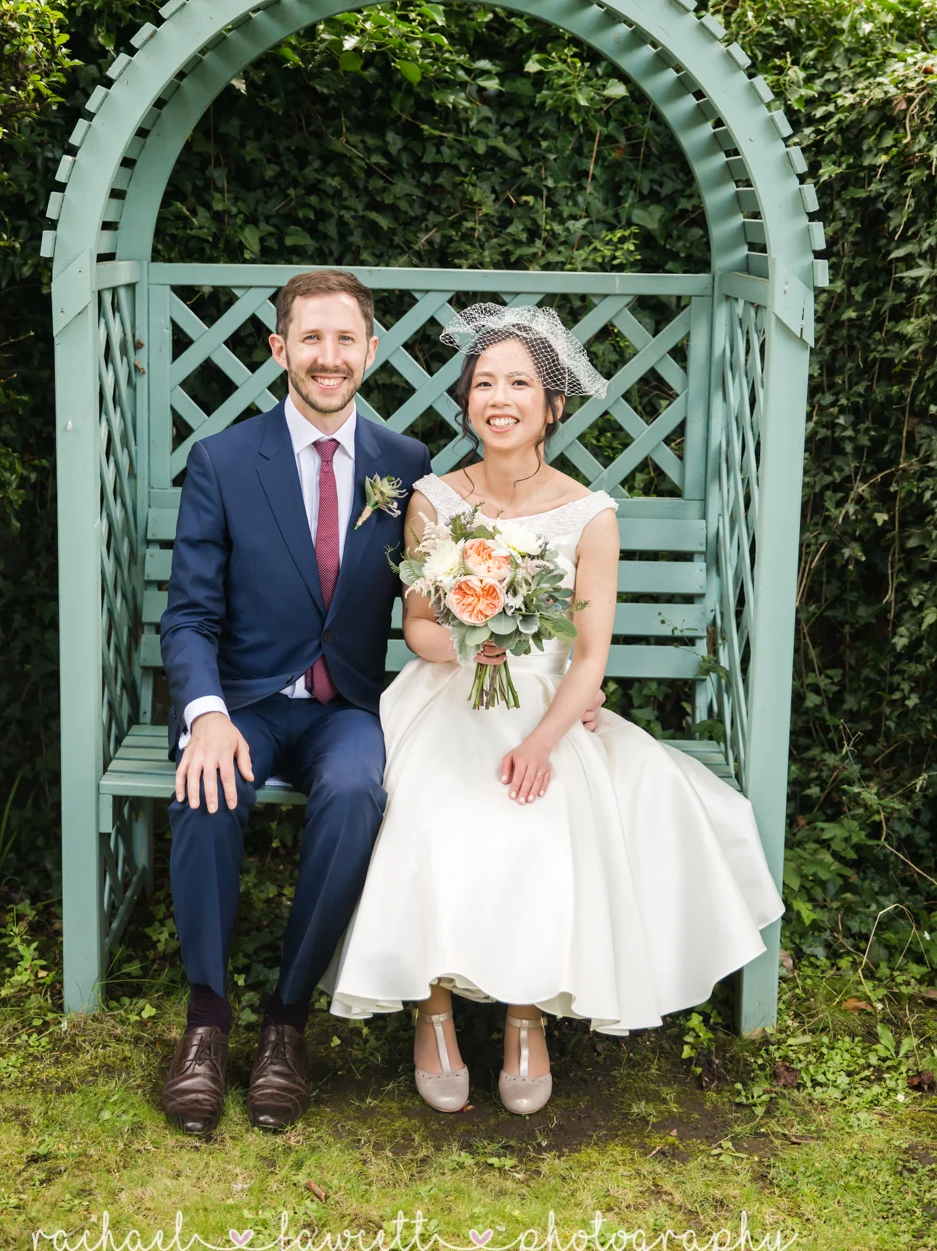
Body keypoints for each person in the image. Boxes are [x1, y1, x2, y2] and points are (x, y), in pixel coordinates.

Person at [157, 272, 609, 1135]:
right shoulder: (223, 459)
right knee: (204, 791)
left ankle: (287, 1023)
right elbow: (188, 615)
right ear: (280, 349)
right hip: (245, 701)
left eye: (345, 340)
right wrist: (205, 714)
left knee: (360, 793)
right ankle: (206, 1023)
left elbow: (455, 588)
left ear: (370, 351)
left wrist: (568, 679)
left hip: (345, 711)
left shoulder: (404, 466)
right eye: (310, 339)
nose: (328, 358)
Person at [322, 304, 785, 1116]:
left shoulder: (588, 514)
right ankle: (432, 1010)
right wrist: (466, 642)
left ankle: (526, 1015)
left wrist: (541, 741)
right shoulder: (431, 500)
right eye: (483, 383)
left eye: (519, 384)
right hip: (446, 695)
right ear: (467, 400)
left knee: (543, 816)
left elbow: (589, 656)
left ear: (553, 405)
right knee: (426, 809)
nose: (498, 399)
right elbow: (419, 626)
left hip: (550, 704)